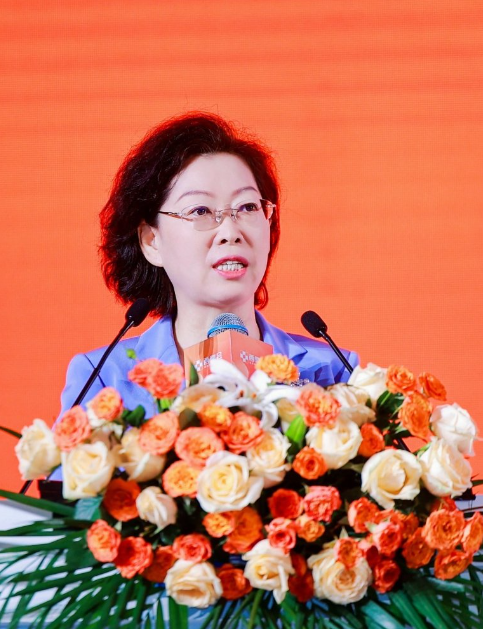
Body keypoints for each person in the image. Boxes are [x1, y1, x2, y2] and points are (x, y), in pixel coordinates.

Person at [51, 113, 358, 479]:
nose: (230, 231)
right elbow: (68, 501)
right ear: (151, 241)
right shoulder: (105, 378)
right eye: (200, 211)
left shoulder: (333, 370)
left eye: (247, 207)